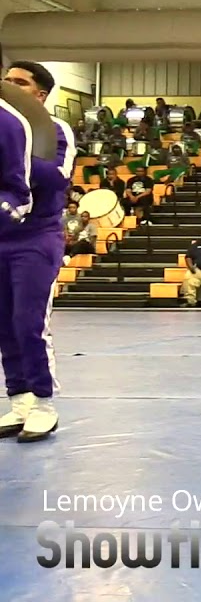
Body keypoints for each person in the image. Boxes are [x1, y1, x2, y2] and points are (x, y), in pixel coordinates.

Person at [0, 61, 75, 443]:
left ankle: (44, 403)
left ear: (39, 95)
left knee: (29, 322)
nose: (8, 85)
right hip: (0, 235)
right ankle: (19, 400)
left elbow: (56, 177)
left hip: (36, 237)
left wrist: (17, 151)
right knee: (3, 326)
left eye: (19, 82)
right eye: (6, 79)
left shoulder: (56, 130)